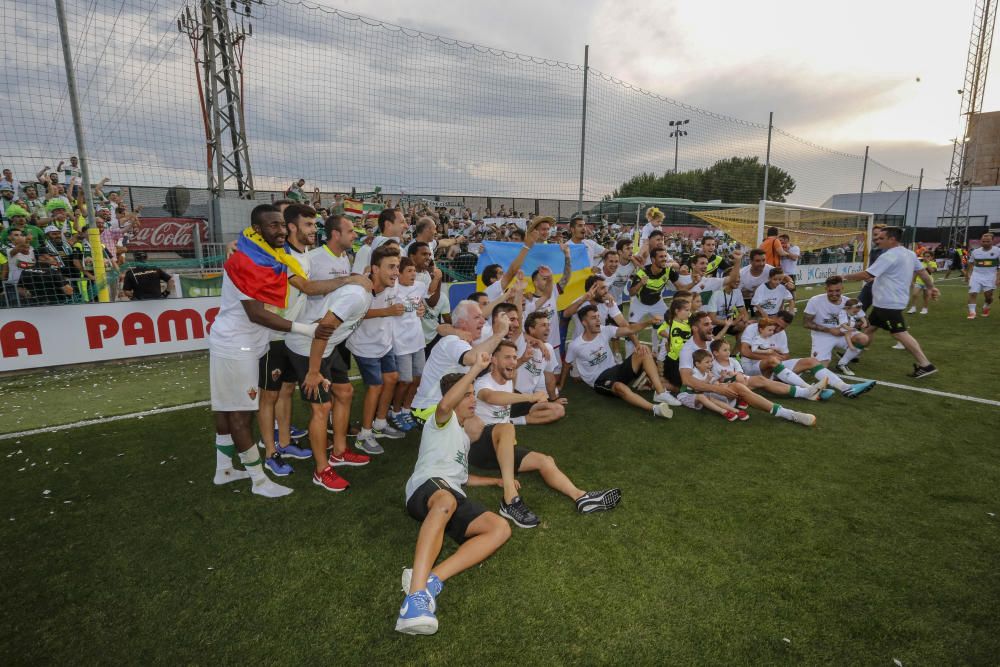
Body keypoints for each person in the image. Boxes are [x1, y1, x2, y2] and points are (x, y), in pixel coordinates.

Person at [208, 204, 362, 498]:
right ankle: (259, 480)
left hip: (244, 342)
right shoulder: (246, 262)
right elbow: (257, 314)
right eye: (274, 225)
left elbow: (300, 287)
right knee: (241, 415)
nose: (281, 230)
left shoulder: (267, 255)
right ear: (257, 230)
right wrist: (306, 329)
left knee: (227, 408)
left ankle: (224, 468)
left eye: (282, 224)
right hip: (236, 344)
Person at [396, 356, 513, 635]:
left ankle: (430, 580)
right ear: (455, 396)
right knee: (447, 499)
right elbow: (446, 403)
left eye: (474, 395)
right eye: (468, 395)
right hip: (426, 487)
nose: (473, 400)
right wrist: (474, 370)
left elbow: (462, 477)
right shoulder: (441, 421)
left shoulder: (461, 436)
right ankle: (413, 602)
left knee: (499, 528)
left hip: (450, 492)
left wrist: (495, 480)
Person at [468, 339, 617, 529]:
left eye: (514, 358)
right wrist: (529, 397)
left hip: (501, 449)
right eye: (507, 357)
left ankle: (581, 496)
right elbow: (490, 397)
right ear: (493, 360)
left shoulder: (508, 381)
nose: (513, 362)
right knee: (506, 428)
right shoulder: (482, 382)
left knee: (545, 460)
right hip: (480, 448)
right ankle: (510, 498)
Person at [253, 204, 318, 476]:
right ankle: (270, 453)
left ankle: (285, 442)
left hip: (294, 334)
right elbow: (306, 288)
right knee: (268, 394)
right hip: (273, 335)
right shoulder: (278, 256)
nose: (314, 230)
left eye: (315, 225)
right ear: (293, 227)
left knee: (287, 390)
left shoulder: (306, 256)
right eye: (309, 225)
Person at [679, 312, 817, 426]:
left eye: (710, 323)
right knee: (739, 387)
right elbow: (687, 380)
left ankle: (805, 392)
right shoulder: (687, 350)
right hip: (705, 392)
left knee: (759, 379)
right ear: (695, 329)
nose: (711, 326)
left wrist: (731, 374)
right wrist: (719, 388)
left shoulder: (709, 340)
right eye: (706, 324)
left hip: (720, 382)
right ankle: (789, 414)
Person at [843, 226, 939, 378]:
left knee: (900, 334)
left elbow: (867, 274)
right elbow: (923, 273)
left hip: (888, 303)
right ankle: (852, 355)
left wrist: (843, 277)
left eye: (881, 238)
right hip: (888, 302)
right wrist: (931, 287)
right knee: (869, 329)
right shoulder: (909, 254)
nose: (877, 240)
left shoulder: (889, 256)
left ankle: (925, 364)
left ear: (892, 239)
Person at [563, 304, 675, 418]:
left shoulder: (605, 330)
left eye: (598, 316)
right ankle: (655, 408)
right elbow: (567, 364)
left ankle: (660, 393)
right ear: (584, 323)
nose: (598, 320)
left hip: (615, 369)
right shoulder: (576, 345)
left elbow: (629, 329)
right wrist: (560, 385)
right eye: (593, 318)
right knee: (620, 387)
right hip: (599, 380)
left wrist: (649, 322)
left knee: (643, 351)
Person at [348, 245, 406, 453]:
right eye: (391, 267)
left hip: (384, 342)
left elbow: (397, 304)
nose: (396, 272)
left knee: (392, 378)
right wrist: (387, 311)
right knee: (375, 386)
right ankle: (364, 435)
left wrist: (414, 307)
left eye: (397, 267)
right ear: (374, 268)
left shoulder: (394, 283)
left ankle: (380, 424)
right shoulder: (361, 288)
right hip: (364, 345)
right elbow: (355, 314)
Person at [412, 300, 511, 418]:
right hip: (430, 408)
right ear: (463, 323)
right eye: (477, 318)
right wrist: (500, 333)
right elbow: (472, 358)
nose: (483, 321)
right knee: (478, 424)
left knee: (484, 421)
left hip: (448, 405)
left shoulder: (464, 342)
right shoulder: (452, 341)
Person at [743, 310, 873, 398]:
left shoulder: (780, 333)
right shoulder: (754, 328)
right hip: (752, 369)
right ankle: (810, 389)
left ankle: (846, 388)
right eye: (776, 325)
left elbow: (786, 355)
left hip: (774, 366)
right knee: (772, 359)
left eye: (782, 328)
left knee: (811, 361)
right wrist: (771, 356)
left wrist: (778, 357)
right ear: (772, 318)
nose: (778, 329)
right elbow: (745, 351)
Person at [389, 256, 429, 432]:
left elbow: (421, 305)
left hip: (418, 340)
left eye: (414, 270)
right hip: (400, 342)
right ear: (399, 273)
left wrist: (423, 308)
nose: (414, 274)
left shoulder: (419, 287)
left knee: (418, 377)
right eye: (409, 271)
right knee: (405, 380)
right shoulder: (393, 289)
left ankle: (406, 409)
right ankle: (395, 412)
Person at [803, 276, 870, 376]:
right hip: (823, 335)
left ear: (842, 288)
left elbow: (865, 321)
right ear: (826, 289)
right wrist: (830, 330)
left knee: (863, 338)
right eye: (830, 291)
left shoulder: (849, 302)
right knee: (820, 368)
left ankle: (842, 364)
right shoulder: (815, 301)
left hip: (844, 334)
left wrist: (851, 326)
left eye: (837, 290)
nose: (834, 294)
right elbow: (806, 323)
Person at [627, 246, 672, 358]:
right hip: (639, 303)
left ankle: (659, 353)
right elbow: (631, 293)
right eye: (661, 256)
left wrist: (675, 265)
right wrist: (640, 283)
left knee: (670, 323)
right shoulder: (642, 272)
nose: (664, 259)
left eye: (665, 256)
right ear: (653, 260)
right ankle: (628, 358)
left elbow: (680, 277)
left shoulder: (667, 269)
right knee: (630, 330)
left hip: (657, 303)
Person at [676, 349, 745, 422]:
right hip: (687, 395)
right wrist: (708, 380)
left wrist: (722, 380)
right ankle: (724, 412)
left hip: (701, 396)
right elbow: (697, 388)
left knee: (711, 398)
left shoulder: (706, 373)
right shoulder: (694, 373)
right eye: (707, 362)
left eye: (711, 361)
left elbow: (715, 383)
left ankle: (736, 411)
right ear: (697, 364)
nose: (710, 364)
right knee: (702, 397)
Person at [352, 207, 407, 275]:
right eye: (402, 222)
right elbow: (356, 276)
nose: (406, 226)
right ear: (388, 225)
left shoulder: (402, 251)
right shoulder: (366, 249)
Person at [964, 232, 998, 319]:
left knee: (988, 296)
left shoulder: (998, 251)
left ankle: (986, 306)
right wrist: (967, 274)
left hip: (991, 276)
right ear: (980, 241)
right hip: (976, 275)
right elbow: (970, 263)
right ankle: (972, 312)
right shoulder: (975, 252)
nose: (985, 243)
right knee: (973, 293)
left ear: (992, 241)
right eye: (983, 241)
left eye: (988, 241)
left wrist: (998, 278)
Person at [906, 250, 937, 315]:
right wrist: (912, 281)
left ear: (931, 257)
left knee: (925, 296)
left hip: (928, 283)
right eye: (924, 256)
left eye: (928, 256)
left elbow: (932, 271)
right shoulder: (920, 263)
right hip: (919, 282)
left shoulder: (933, 263)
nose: (926, 258)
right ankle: (913, 308)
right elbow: (916, 273)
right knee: (914, 294)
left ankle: (925, 308)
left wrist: (928, 263)